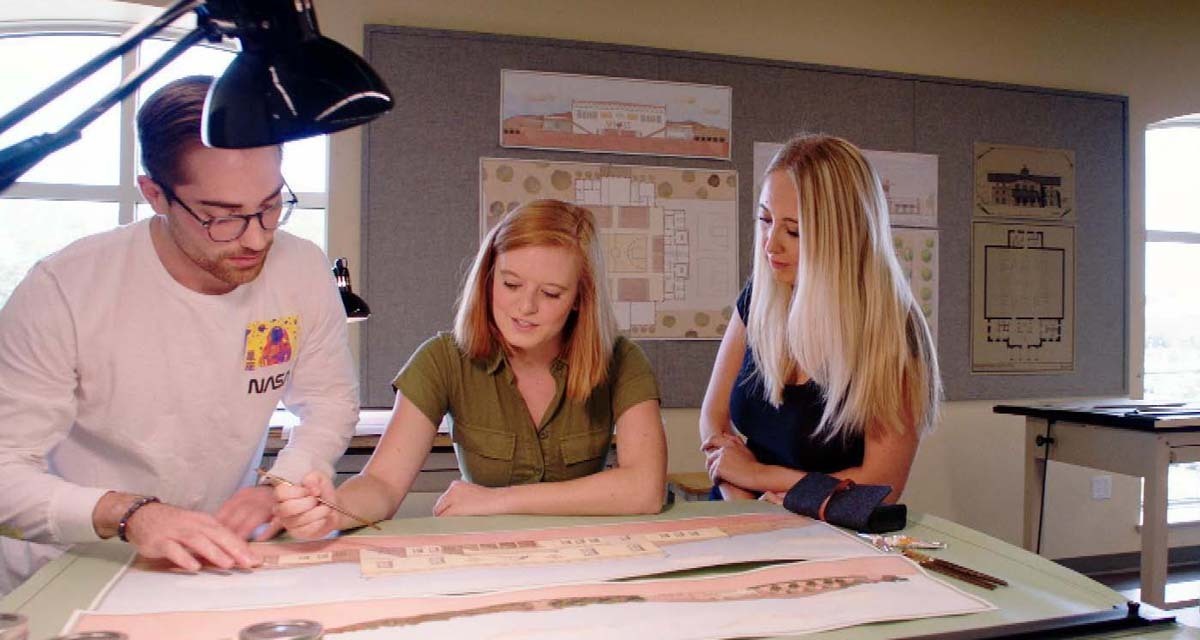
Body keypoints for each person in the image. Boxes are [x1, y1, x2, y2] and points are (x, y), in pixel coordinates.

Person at [0, 76, 359, 593]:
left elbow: (329, 400)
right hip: (71, 568)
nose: (256, 238)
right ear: (155, 195)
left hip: (212, 563)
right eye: (221, 217)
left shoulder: (301, 269)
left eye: (270, 206)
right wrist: (129, 513)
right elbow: (6, 472)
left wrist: (283, 484)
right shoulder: (64, 289)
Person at [274, 199, 666, 539]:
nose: (525, 307)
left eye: (550, 294)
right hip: (491, 558)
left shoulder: (621, 360)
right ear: (489, 278)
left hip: (586, 556)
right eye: (511, 284)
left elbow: (644, 489)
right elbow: (382, 483)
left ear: (581, 298)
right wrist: (332, 510)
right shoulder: (442, 359)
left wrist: (499, 500)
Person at [699, 134, 940, 504]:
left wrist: (761, 476)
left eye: (794, 231)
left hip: (826, 528)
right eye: (765, 220)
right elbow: (713, 418)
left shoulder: (891, 330)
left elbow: (882, 486)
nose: (770, 244)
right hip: (740, 512)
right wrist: (742, 496)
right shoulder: (759, 296)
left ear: (842, 235)